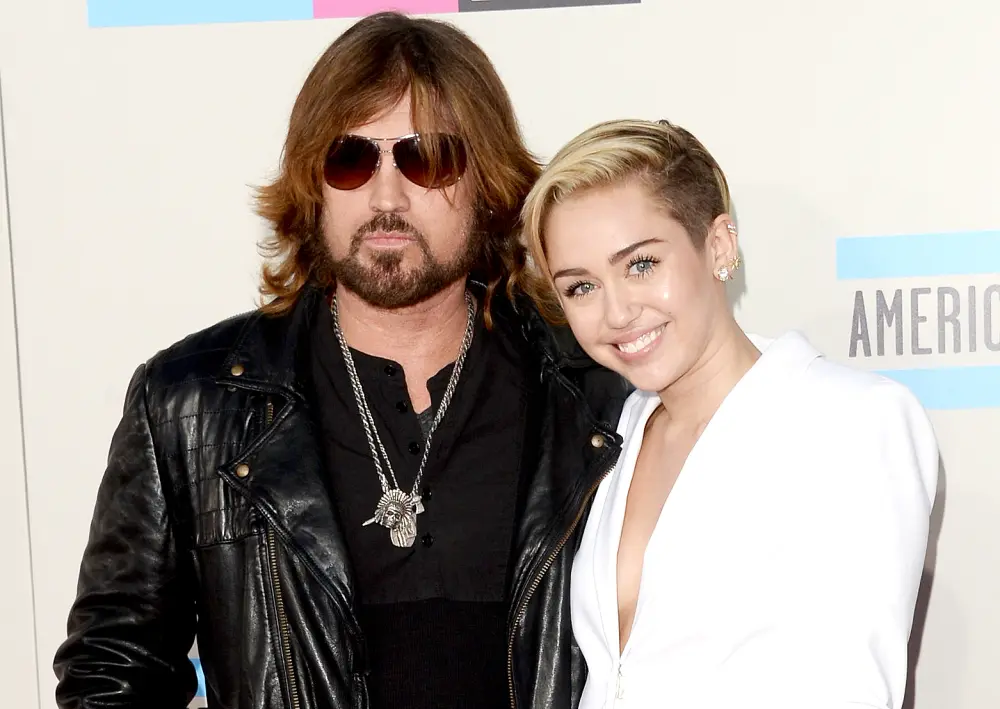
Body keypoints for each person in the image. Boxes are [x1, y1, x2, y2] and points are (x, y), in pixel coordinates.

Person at [52, 13, 629, 709]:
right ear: (313, 183)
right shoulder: (189, 403)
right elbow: (112, 676)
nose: (386, 197)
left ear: (487, 179)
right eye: (350, 159)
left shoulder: (594, 390)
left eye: (428, 158)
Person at [517, 118, 940, 709]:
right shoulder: (613, 437)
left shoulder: (850, 421)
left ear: (719, 247)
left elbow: (850, 687)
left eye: (640, 265)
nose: (616, 312)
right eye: (581, 287)